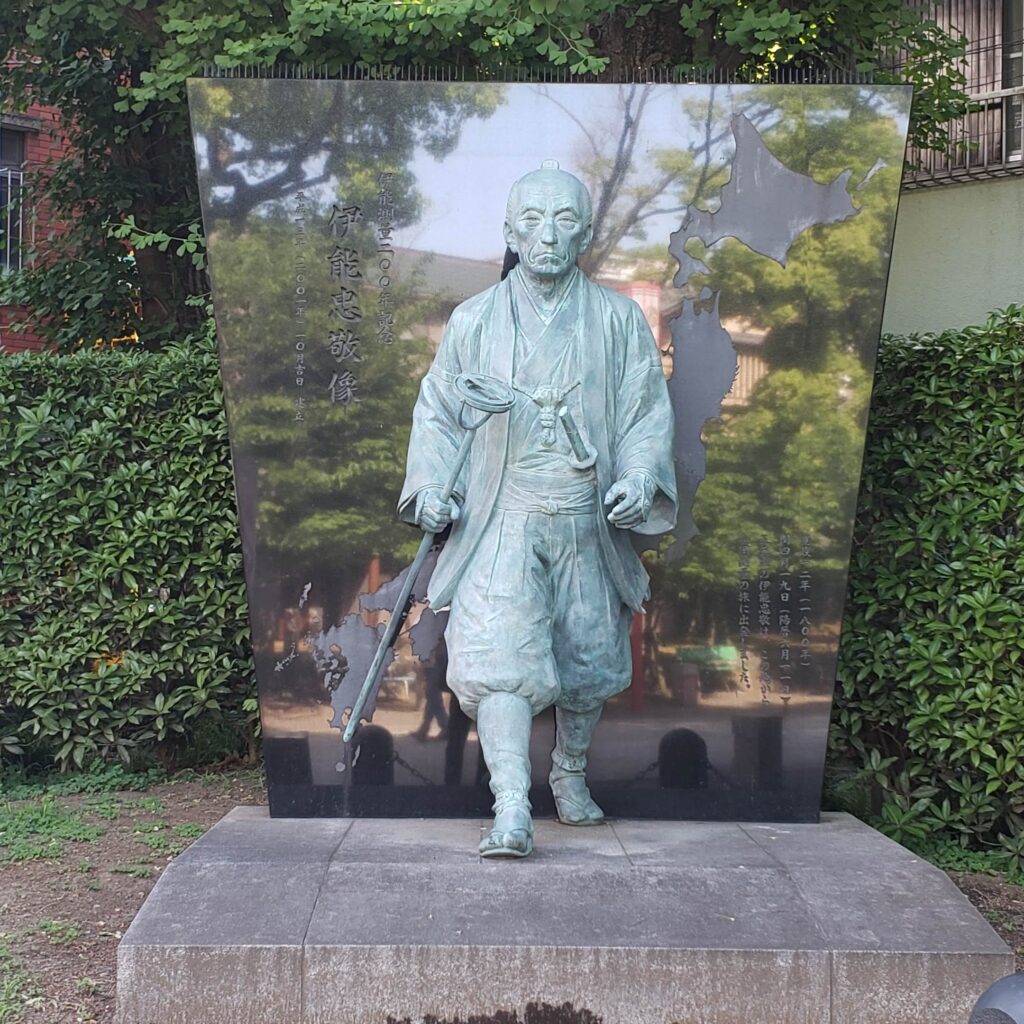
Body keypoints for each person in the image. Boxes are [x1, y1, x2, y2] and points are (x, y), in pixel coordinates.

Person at [399, 162, 677, 857]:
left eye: (561, 221)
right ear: (509, 232)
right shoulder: (476, 320)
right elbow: (438, 410)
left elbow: (647, 412)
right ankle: (512, 806)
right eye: (531, 220)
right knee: (499, 655)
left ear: (583, 231)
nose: (546, 235)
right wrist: (431, 487)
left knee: (586, 657)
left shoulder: (617, 320)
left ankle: (571, 774)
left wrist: (641, 477)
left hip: (584, 513)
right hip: (502, 516)